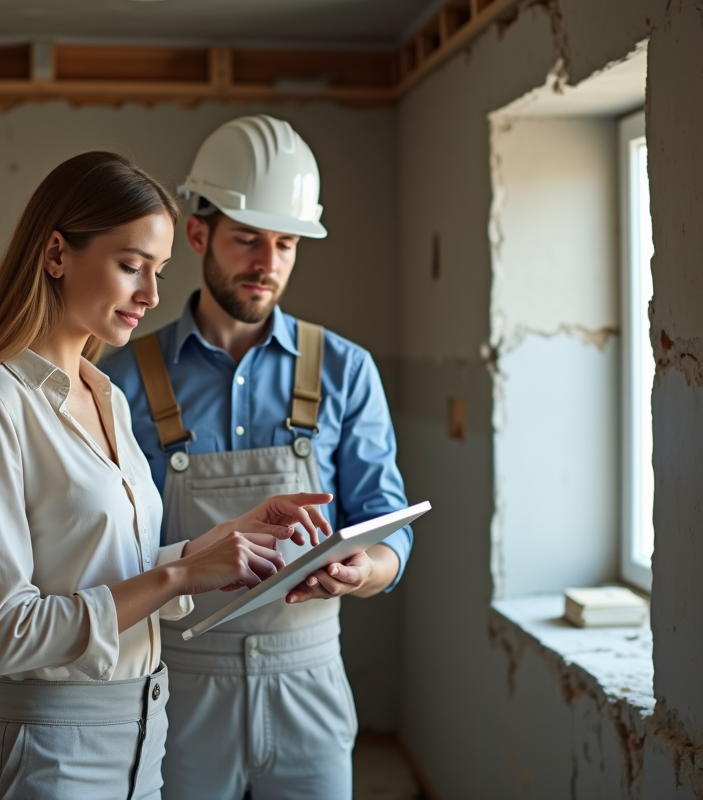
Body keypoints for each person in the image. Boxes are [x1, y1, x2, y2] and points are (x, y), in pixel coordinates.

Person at [0, 151, 332, 800]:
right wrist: (179, 575)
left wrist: (211, 546)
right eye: (131, 266)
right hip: (49, 752)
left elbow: (105, 565)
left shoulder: (106, 394)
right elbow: (6, 634)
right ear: (57, 254)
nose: (152, 296)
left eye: (160, 272)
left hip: (143, 733)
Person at [102, 115, 413, 800]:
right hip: (178, 681)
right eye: (247, 239)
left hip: (309, 681)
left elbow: (391, 527)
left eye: (287, 243)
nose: (267, 264)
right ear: (196, 233)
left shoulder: (345, 370)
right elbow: (109, 553)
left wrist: (362, 570)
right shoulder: (124, 378)